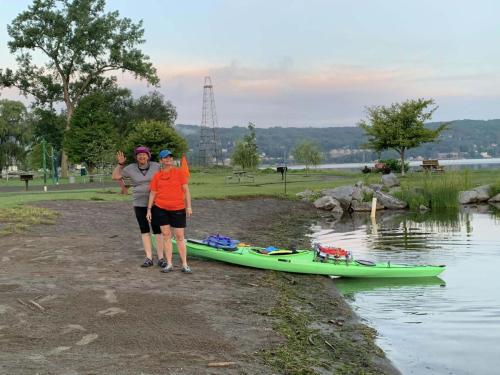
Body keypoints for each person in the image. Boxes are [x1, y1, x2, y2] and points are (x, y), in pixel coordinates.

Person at [112, 146, 165, 267]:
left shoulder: (157, 166)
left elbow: (167, 176)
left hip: (156, 202)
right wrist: (120, 164)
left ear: (148, 155)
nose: (142, 156)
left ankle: (161, 258)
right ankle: (149, 258)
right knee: (144, 229)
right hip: (139, 202)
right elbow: (115, 176)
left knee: (157, 230)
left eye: (144, 154)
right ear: (136, 157)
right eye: (139, 154)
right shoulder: (130, 168)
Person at [146, 149, 193, 274]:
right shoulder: (157, 176)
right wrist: (149, 210)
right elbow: (152, 194)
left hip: (178, 208)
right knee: (166, 236)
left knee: (179, 236)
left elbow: (186, 190)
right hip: (161, 208)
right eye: (165, 158)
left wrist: (188, 207)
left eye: (170, 157)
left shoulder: (180, 173)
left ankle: (185, 264)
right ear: (161, 160)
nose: (168, 160)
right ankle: (169, 264)